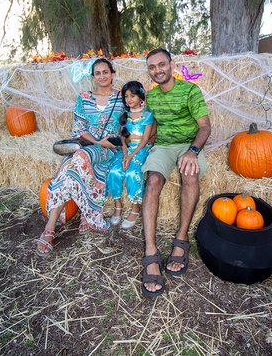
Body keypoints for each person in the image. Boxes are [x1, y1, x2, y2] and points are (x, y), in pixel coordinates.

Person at [141, 48, 211, 298]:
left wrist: (192, 151)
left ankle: (181, 241)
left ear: (171, 65)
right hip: (163, 146)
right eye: (152, 67)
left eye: (161, 64)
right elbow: (152, 125)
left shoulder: (190, 90)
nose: (157, 70)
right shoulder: (151, 97)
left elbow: (205, 127)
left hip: (188, 144)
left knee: (189, 174)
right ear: (149, 71)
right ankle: (151, 252)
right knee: (152, 182)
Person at [36, 58, 124, 256]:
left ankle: (52, 228)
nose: (102, 76)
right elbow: (79, 129)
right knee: (75, 162)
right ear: (93, 77)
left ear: (112, 73)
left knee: (72, 163)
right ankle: (65, 221)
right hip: (87, 145)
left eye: (106, 72)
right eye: (98, 73)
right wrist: (98, 141)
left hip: (109, 149)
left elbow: (131, 123)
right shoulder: (84, 97)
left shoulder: (121, 98)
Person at [107, 81, 155, 229]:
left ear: (140, 96)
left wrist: (132, 155)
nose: (129, 99)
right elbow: (123, 136)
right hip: (126, 149)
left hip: (141, 149)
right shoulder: (124, 115)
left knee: (132, 173)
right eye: (126, 96)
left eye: (132, 96)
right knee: (114, 171)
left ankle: (135, 208)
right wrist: (125, 152)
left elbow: (145, 139)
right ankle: (118, 204)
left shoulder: (147, 115)